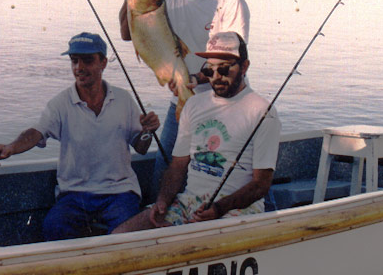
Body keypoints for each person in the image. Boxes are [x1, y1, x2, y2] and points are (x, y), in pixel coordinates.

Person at [0, 32, 160, 241]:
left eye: (87, 60)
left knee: (126, 238)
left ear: (103, 63)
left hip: (120, 192)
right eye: (74, 61)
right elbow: (36, 132)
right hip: (74, 194)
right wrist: (11, 147)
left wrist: (147, 131)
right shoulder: (60, 103)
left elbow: (141, 148)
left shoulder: (123, 99)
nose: (79, 68)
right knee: (53, 228)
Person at [119, 0, 251, 193]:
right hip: (182, 101)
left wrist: (196, 79)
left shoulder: (229, 0)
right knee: (164, 173)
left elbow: (234, 58)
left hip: (227, 103)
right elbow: (127, 34)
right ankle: (164, 223)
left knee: (234, 172)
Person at [113, 32, 279, 232]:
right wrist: (163, 201)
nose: (216, 77)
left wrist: (218, 209)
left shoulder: (262, 111)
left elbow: (261, 184)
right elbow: (177, 167)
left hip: (237, 209)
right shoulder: (193, 104)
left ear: (244, 67)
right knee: (121, 235)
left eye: (224, 69)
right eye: (210, 71)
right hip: (189, 202)